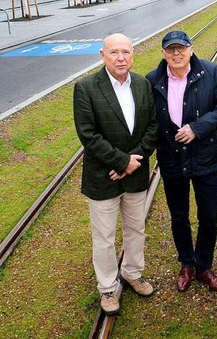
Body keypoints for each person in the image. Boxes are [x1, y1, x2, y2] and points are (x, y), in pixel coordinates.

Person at [73, 33, 159, 315]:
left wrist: (135, 161)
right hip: (103, 176)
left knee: (136, 229)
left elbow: (153, 127)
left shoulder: (144, 85)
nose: (121, 58)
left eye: (126, 52)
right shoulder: (86, 88)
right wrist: (122, 161)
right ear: (102, 55)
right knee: (105, 237)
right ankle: (108, 287)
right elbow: (88, 135)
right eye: (114, 52)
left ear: (133, 54)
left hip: (135, 174)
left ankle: (133, 272)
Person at [146, 30, 217, 293]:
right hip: (172, 159)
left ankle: (204, 266)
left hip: (204, 156)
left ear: (191, 49)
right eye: (171, 49)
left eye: (181, 48)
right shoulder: (152, 80)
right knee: (179, 216)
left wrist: (197, 127)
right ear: (163, 53)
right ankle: (186, 263)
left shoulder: (210, 71)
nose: (177, 54)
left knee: (208, 215)